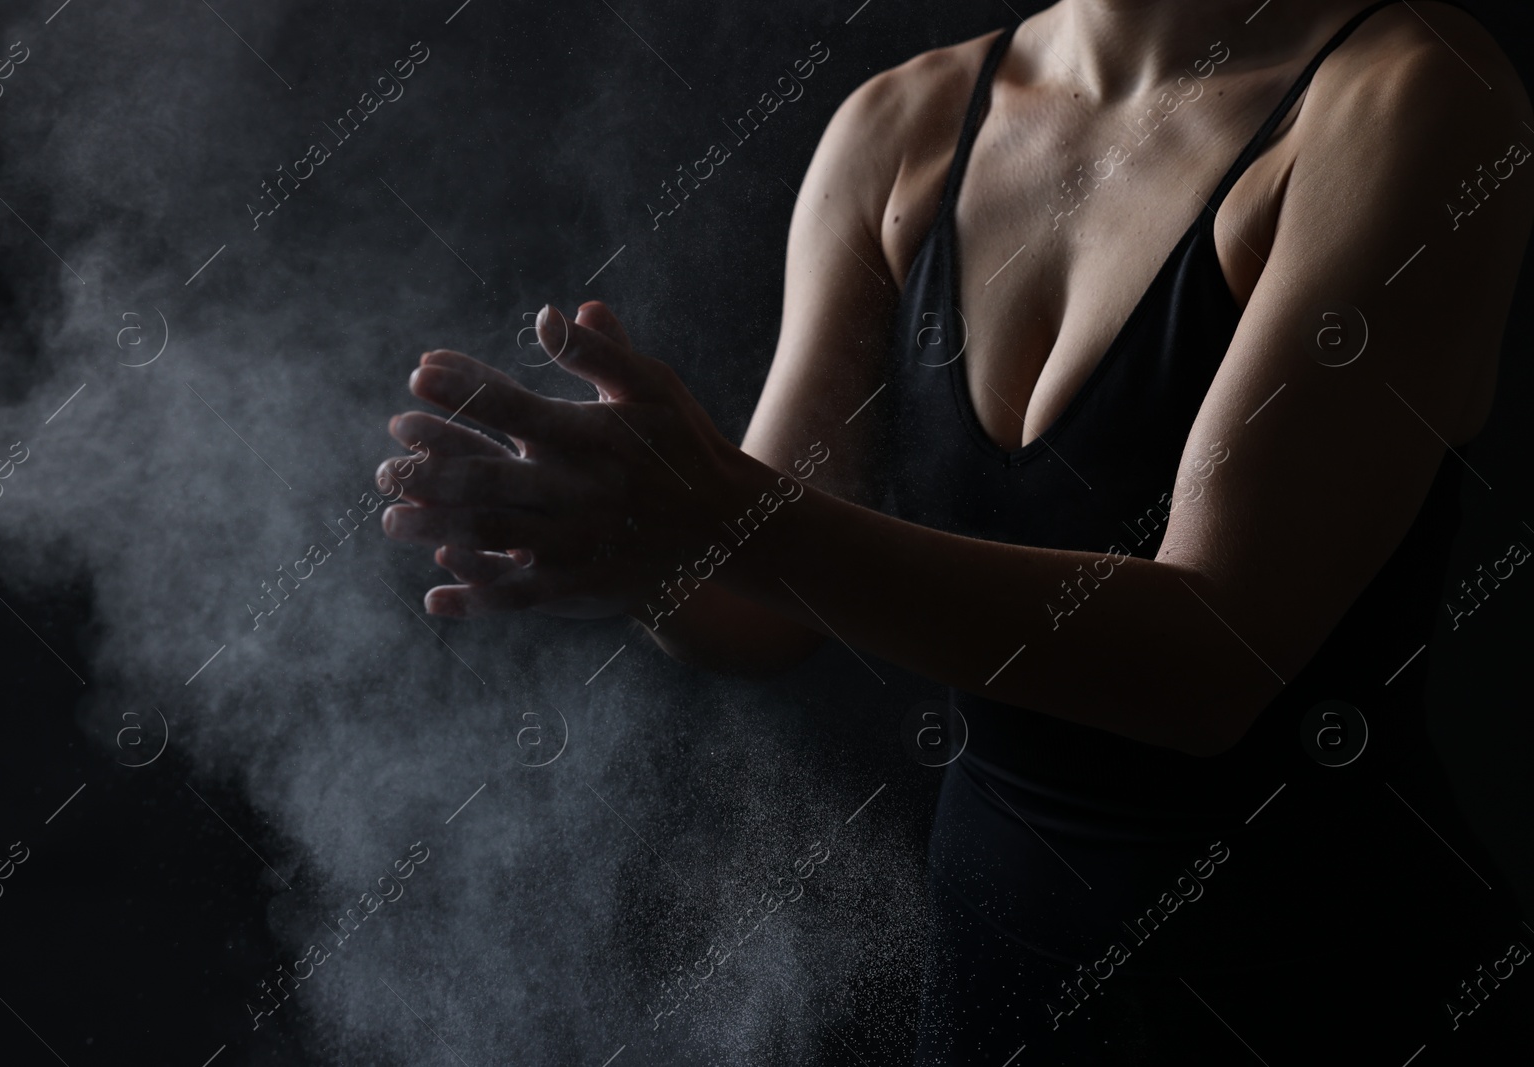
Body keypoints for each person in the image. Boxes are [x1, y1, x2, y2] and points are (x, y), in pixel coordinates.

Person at [378, 0, 1533, 1060]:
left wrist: (720, 516)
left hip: (1329, 995)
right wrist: (630, 541)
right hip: (999, 988)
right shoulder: (903, 124)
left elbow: (1209, 661)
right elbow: (756, 609)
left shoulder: (1406, 99)